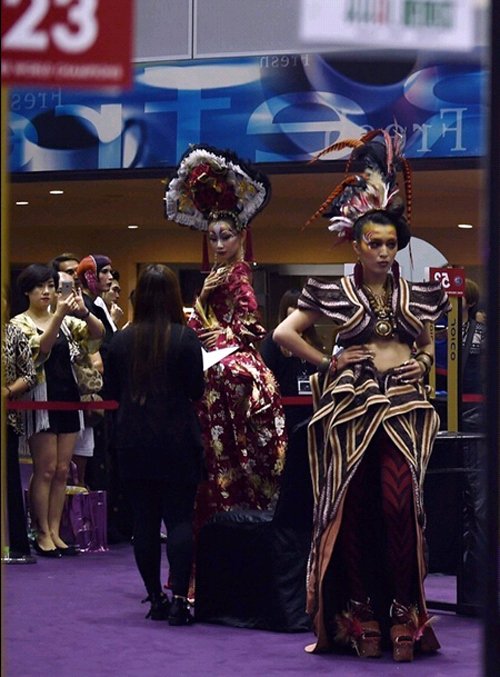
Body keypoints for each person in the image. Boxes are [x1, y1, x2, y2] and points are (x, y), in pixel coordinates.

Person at [273, 130, 450, 662]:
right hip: (351, 410)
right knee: (351, 506)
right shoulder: (333, 289)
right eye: (374, 243)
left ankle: (403, 610)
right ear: (357, 245)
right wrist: (329, 361)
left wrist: (423, 363)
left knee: (400, 505)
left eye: (390, 244)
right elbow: (284, 334)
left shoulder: (415, 292)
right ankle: (359, 611)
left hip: (403, 407)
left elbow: (426, 343)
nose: (383, 251)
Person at [165, 145, 287, 532]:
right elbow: (196, 329)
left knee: (233, 451)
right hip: (215, 367)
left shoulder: (237, 274)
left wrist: (219, 334)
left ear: (240, 237)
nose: (219, 245)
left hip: (233, 368)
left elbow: (251, 325)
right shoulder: (216, 277)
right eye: (213, 238)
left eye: (226, 237)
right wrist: (202, 299)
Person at [106, 264, 205, 624]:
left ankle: (155, 598)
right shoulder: (185, 338)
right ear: (174, 297)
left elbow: (110, 392)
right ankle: (179, 599)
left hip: (132, 439)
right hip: (177, 439)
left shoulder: (120, 342)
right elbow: (196, 390)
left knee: (144, 522)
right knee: (179, 519)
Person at [11, 265, 104, 557]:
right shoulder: (19, 323)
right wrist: (59, 316)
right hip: (40, 400)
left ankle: (55, 529)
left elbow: (97, 334)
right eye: (40, 287)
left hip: (69, 397)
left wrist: (84, 312)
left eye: (51, 286)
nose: (47, 292)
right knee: (46, 468)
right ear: (27, 291)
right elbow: (41, 349)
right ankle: (41, 531)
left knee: (64, 470)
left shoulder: (66, 321)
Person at [2, 297, 37, 564]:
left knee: (10, 481)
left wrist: (8, 391)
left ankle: (14, 544)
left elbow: (29, 374)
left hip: (7, 418)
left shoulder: (14, 333)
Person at [261, 289, 323, 434]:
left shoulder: (314, 340)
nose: (297, 313)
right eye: (293, 307)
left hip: (311, 408)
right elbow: (266, 374)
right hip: (284, 408)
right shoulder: (273, 340)